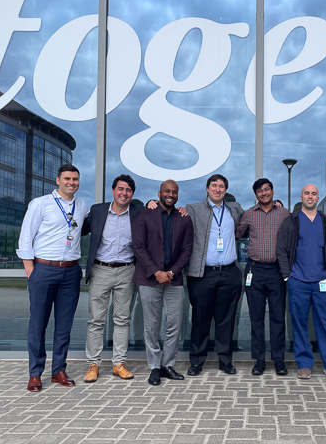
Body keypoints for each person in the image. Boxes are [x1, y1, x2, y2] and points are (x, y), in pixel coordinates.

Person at [17, 164, 88, 392]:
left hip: (71, 271)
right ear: (58, 180)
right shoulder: (40, 204)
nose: (71, 183)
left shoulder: (81, 205)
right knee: (38, 324)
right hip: (44, 269)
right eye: (67, 179)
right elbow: (25, 238)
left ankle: (58, 369)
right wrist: (31, 271)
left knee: (64, 325)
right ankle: (35, 373)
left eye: (75, 179)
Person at [276, 184, 326, 380]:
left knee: (325, 323)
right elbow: (281, 250)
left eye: (314, 193)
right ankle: (304, 364)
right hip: (298, 281)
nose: (310, 196)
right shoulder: (291, 222)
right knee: (299, 323)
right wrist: (288, 275)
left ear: (318, 198)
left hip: (323, 281)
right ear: (301, 197)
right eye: (307, 193)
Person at [81, 174, 144, 383]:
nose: (124, 193)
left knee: (122, 319)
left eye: (128, 190)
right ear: (113, 190)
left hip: (127, 271)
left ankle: (119, 364)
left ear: (132, 194)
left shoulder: (138, 212)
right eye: (121, 189)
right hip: (100, 270)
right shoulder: (97, 211)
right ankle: (93, 364)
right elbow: (77, 229)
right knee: (96, 320)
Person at [132, 180, 194, 386]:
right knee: (151, 326)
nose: (171, 195)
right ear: (159, 193)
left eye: (174, 192)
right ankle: (154, 367)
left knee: (174, 324)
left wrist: (172, 272)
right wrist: (156, 272)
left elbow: (187, 250)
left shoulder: (184, 218)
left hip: (174, 280)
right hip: (149, 278)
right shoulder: (144, 215)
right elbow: (139, 248)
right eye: (167, 191)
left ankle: (168, 365)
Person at [184, 174, 244, 376]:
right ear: (207, 188)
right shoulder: (193, 209)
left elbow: (253, 218)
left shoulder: (234, 209)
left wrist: (277, 205)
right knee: (200, 319)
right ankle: (197, 361)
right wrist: (151, 203)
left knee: (226, 319)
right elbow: (173, 215)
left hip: (229, 272)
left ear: (225, 190)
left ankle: (225, 361)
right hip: (203, 274)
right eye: (214, 185)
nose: (218, 189)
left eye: (221, 186)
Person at [235, 178, 290, 376]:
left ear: (273, 191)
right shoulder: (249, 214)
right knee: (256, 317)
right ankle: (259, 360)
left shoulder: (284, 214)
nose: (264, 193)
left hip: (277, 271)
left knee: (278, 317)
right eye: (260, 191)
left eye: (267, 190)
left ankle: (278, 360)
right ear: (256, 194)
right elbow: (237, 233)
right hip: (255, 270)